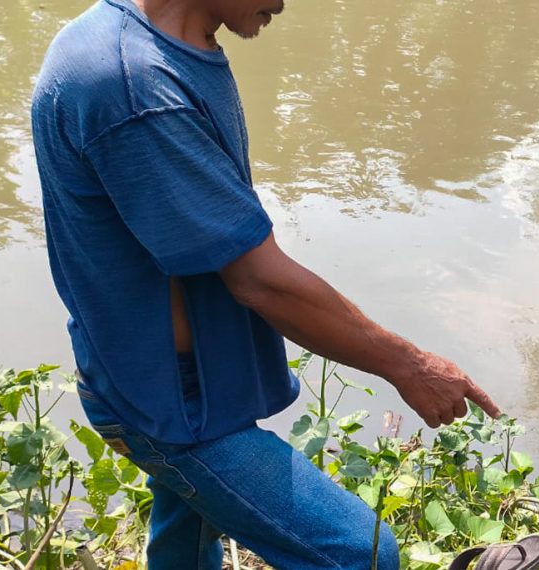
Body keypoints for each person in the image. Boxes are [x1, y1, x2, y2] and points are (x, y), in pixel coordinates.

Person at [30, 1, 501, 568]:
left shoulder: (148, 43)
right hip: (172, 407)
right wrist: (409, 365)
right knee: (363, 553)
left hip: (174, 382)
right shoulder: (133, 88)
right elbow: (261, 282)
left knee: (186, 539)